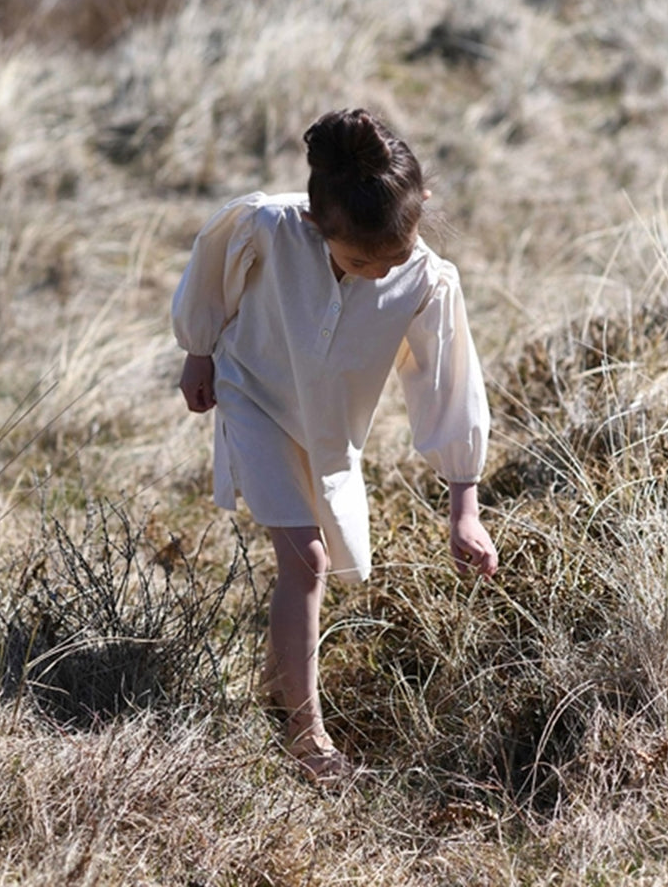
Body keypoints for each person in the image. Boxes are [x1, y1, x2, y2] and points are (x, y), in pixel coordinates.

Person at [172, 108, 498, 783]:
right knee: (307, 559)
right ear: (318, 223)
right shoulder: (270, 226)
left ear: (421, 209)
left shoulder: (428, 282)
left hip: (329, 434)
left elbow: (450, 387)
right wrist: (198, 351)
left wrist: (464, 508)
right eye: (358, 260)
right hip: (253, 395)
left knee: (311, 560)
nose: (378, 272)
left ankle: (278, 686)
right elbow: (209, 268)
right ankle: (307, 738)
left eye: (392, 257)